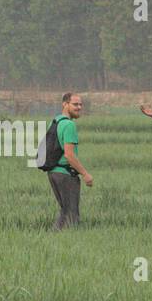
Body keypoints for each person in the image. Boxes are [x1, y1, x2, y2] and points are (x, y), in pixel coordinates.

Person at [45, 92, 92, 229]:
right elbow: (69, 155)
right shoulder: (69, 125)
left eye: (80, 105)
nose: (79, 107)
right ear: (65, 104)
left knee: (65, 212)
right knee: (72, 216)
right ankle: (66, 243)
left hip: (54, 173)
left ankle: (53, 238)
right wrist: (85, 174)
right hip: (65, 174)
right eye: (75, 104)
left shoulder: (55, 121)